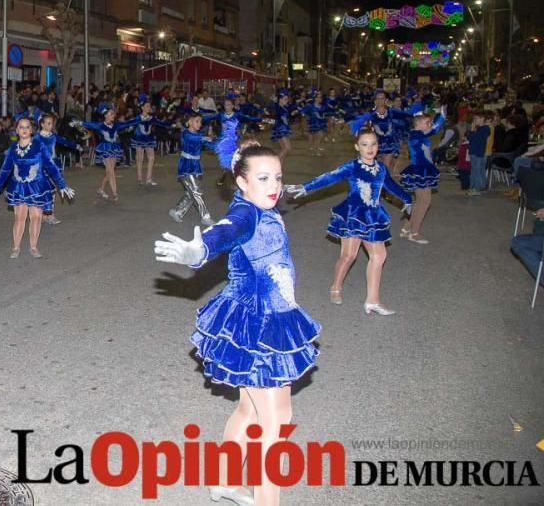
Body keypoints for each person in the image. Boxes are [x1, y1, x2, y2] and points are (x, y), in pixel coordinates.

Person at [154, 145, 319, 506]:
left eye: (277, 177)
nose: (273, 185)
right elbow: (225, 231)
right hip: (258, 324)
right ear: (241, 182)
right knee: (276, 420)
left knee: (249, 409)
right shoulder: (248, 213)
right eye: (262, 178)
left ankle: (225, 481)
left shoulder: (266, 209)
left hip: (270, 315)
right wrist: (198, 252)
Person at [286, 128, 412, 315]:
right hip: (353, 215)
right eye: (364, 144)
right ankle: (335, 286)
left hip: (373, 215)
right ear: (357, 147)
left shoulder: (381, 168)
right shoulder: (352, 166)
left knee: (379, 256)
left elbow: (391, 185)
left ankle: (373, 301)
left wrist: (407, 198)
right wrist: (305, 187)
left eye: (373, 144)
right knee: (349, 256)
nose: (370, 148)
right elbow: (330, 177)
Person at [0, 117, 75, 258]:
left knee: (36, 217)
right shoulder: (13, 148)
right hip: (19, 186)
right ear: (17, 130)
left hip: (37, 186)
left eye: (27, 127)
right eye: (21, 127)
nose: (24, 129)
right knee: (19, 217)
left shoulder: (39, 146)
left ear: (31, 130)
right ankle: (16, 247)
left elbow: (50, 166)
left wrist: (62, 185)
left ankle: (33, 247)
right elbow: (5, 169)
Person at [400, 107, 447, 244]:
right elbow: (434, 129)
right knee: (425, 202)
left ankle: (406, 229)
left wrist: (438, 115)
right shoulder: (416, 134)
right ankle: (414, 233)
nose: (429, 125)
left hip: (423, 169)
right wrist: (441, 115)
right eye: (427, 122)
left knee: (420, 201)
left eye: (430, 122)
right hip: (420, 171)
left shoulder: (418, 133)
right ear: (418, 123)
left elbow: (432, 129)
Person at [76, 109, 137, 201]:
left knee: (108, 172)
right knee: (111, 171)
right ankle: (115, 193)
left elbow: (127, 123)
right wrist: (78, 123)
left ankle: (100, 189)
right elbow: (89, 124)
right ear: (105, 116)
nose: (113, 115)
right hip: (104, 148)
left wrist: (140, 119)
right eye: (111, 114)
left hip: (114, 148)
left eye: (113, 114)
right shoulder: (101, 125)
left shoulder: (116, 125)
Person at [169, 112, 217, 225]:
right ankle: (205, 217)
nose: (200, 124)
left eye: (200, 121)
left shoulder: (199, 135)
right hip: (186, 165)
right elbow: (193, 139)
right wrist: (205, 138)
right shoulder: (186, 133)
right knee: (196, 191)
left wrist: (220, 146)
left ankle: (176, 211)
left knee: (191, 192)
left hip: (195, 165)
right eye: (197, 121)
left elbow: (208, 145)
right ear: (189, 122)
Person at [130, 101, 171, 186]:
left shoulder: (151, 118)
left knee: (152, 158)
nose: (149, 108)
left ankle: (148, 178)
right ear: (142, 108)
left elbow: (161, 123)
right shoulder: (138, 118)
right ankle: (140, 178)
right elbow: (129, 124)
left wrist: (171, 124)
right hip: (139, 138)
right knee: (139, 158)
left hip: (148, 138)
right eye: (147, 106)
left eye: (150, 106)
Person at [466, 111, 491, 196]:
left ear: (482, 119)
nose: (474, 120)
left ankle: (477, 188)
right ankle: (476, 187)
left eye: (476, 119)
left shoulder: (484, 129)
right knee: (477, 170)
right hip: (475, 152)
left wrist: (472, 131)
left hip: (477, 153)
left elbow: (474, 139)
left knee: (477, 171)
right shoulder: (481, 129)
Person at [270, 93, 297, 160]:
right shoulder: (277, 107)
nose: (287, 100)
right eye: (285, 99)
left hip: (284, 128)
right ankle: (275, 164)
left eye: (287, 99)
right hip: (280, 129)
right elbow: (275, 115)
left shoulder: (284, 107)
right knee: (287, 148)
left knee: (284, 148)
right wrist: (274, 101)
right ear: (280, 100)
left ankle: (280, 166)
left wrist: (292, 113)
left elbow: (287, 115)